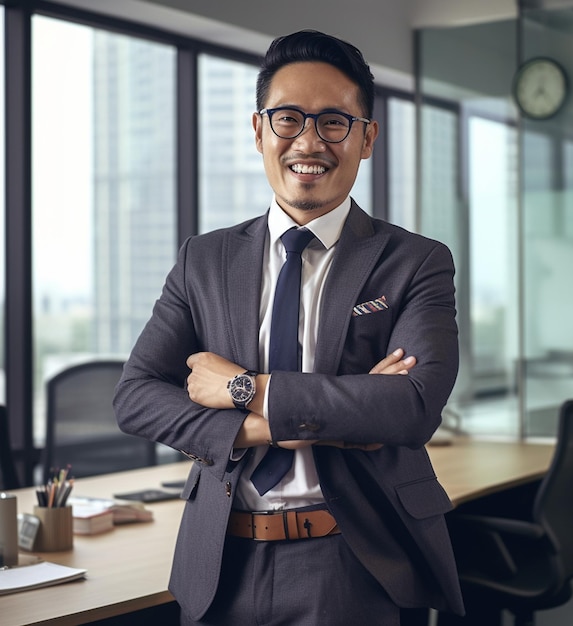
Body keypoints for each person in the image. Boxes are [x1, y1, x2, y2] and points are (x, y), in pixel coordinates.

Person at [114, 29, 464, 626]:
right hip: (219, 560)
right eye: (288, 119)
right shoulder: (206, 258)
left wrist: (245, 387)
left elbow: (409, 406)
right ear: (258, 131)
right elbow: (137, 398)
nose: (309, 141)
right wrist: (266, 427)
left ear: (367, 138)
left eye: (334, 122)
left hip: (351, 561)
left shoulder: (415, 261)